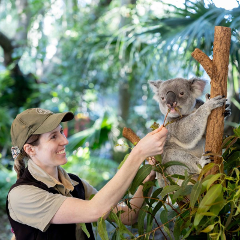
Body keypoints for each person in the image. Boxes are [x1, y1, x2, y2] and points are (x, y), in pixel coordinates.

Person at [6, 108, 168, 240]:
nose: (65, 141)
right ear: (30, 149)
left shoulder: (76, 184)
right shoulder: (22, 195)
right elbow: (96, 210)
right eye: (53, 137)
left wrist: (149, 176)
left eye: (61, 132)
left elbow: (128, 216)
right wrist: (138, 153)